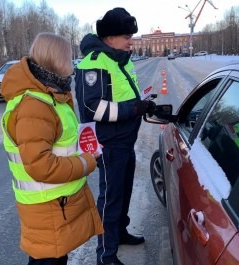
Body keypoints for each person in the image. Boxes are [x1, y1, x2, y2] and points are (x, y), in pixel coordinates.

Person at [0, 32, 104, 265]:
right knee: (48, 261)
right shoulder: (35, 105)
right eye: (68, 57)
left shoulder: (51, 95)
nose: (72, 63)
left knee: (52, 259)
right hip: (48, 208)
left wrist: (87, 147)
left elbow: (61, 143)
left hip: (55, 205)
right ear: (55, 60)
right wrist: (87, 161)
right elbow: (41, 166)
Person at [74, 7, 156, 265]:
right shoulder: (96, 62)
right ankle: (106, 256)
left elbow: (125, 94)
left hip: (125, 141)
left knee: (124, 192)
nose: (131, 40)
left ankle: (119, 233)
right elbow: (92, 107)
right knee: (110, 200)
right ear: (109, 38)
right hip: (109, 144)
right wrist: (133, 108)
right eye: (126, 36)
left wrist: (143, 104)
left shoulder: (120, 58)